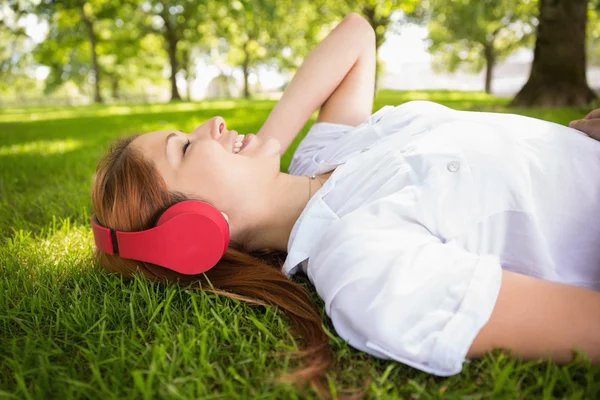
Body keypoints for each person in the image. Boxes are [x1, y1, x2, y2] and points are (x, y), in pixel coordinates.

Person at [91, 12, 600, 399]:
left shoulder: (325, 154)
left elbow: (356, 32)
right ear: (194, 231)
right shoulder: (362, 263)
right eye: (184, 147)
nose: (217, 123)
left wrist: (269, 143)